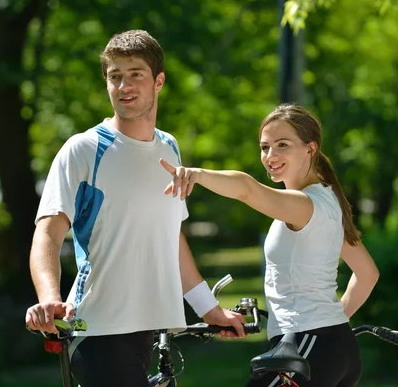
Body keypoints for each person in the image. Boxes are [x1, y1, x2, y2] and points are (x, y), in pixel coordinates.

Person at [24, 29, 245, 387]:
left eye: (135, 74)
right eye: (115, 77)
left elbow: (171, 237)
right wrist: (50, 299)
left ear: (159, 81)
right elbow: (47, 234)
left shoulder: (169, 148)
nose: (123, 86)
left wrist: (209, 308)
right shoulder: (83, 150)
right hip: (99, 330)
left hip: (151, 331)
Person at [160, 104, 380, 387]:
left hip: (307, 347)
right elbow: (368, 273)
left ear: (310, 149)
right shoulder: (327, 201)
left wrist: (197, 174)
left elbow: (246, 189)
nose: (270, 156)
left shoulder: (304, 204)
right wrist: (330, 324)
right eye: (265, 147)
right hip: (332, 347)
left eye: (282, 145)